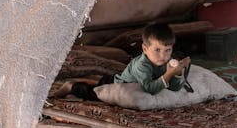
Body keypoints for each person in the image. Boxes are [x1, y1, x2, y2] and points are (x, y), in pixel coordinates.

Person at [53, 23, 191, 100]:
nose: (163, 55)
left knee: (100, 79)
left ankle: (93, 80)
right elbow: (150, 89)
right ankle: (71, 86)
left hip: (123, 76)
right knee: (94, 93)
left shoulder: (165, 61)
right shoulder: (141, 65)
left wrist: (178, 73)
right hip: (118, 84)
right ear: (144, 48)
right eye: (157, 50)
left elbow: (175, 87)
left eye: (167, 50)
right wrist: (168, 74)